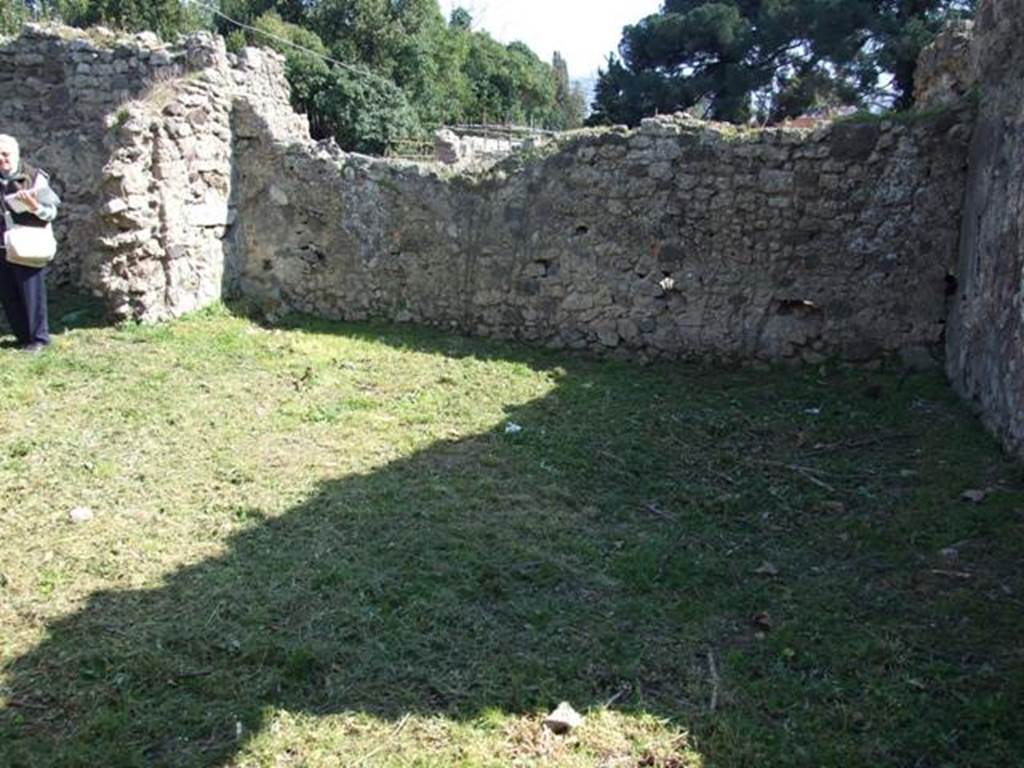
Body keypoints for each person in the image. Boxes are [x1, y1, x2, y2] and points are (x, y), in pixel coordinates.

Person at [0, 134, 59, 352]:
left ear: (15, 154)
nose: (2, 159)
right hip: (2, 245)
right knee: (8, 293)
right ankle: (22, 337)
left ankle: (39, 338)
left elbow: (51, 213)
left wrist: (35, 206)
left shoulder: (34, 177)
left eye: (5, 154)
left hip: (27, 243)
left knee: (31, 293)